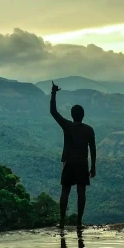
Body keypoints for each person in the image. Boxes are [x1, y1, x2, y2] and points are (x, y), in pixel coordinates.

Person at [49, 82, 96, 230]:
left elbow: (53, 112)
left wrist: (54, 93)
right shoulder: (89, 130)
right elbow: (93, 149)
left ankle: (62, 222)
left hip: (69, 162)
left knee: (65, 191)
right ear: (83, 116)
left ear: (72, 115)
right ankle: (78, 222)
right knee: (81, 192)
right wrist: (93, 167)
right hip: (82, 163)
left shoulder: (67, 125)